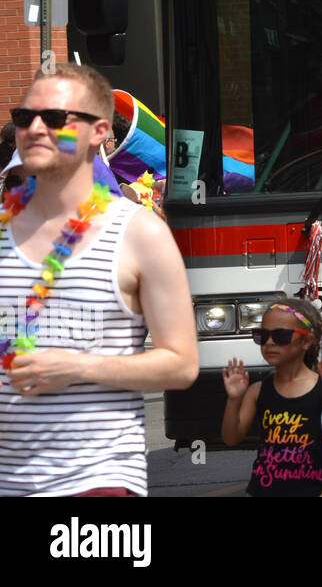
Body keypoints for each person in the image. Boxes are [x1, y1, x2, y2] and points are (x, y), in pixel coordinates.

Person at [0, 63, 197, 496]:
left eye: (54, 118)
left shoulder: (141, 234)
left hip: (94, 485)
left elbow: (181, 364)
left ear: (98, 132)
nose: (33, 128)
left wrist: (76, 367)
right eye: (23, 117)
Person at [222, 297, 322, 496]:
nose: (269, 342)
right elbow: (231, 438)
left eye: (281, 336)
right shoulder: (257, 391)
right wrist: (234, 400)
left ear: (306, 341)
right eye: (262, 335)